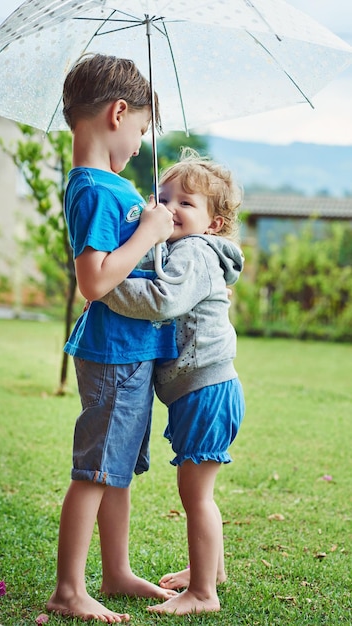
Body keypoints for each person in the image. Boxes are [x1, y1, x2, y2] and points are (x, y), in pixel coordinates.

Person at [46, 53, 179, 623]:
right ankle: (69, 589)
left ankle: (116, 571)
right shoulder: (98, 190)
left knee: (116, 468)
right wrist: (149, 231)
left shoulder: (108, 186)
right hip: (114, 354)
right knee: (96, 471)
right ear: (118, 113)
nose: (140, 143)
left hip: (132, 352)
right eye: (142, 130)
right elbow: (94, 281)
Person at [101, 148, 246, 615]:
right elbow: (156, 277)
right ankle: (211, 569)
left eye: (186, 203)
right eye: (163, 198)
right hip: (200, 389)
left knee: (195, 494)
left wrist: (106, 286)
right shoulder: (182, 250)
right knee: (197, 490)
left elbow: (162, 299)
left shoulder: (198, 254)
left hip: (207, 389)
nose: (170, 208)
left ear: (214, 224)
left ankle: (204, 593)